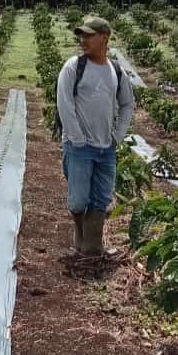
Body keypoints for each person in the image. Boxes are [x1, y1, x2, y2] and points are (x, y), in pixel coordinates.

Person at [57, 15, 135, 256]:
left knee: (101, 199)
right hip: (79, 147)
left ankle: (92, 246)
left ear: (104, 38)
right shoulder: (74, 66)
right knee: (78, 201)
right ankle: (80, 235)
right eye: (82, 35)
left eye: (89, 35)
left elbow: (127, 104)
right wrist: (77, 137)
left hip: (106, 148)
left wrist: (118, 136)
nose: (84, 40)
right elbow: (64, 102)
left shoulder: (116, 71)